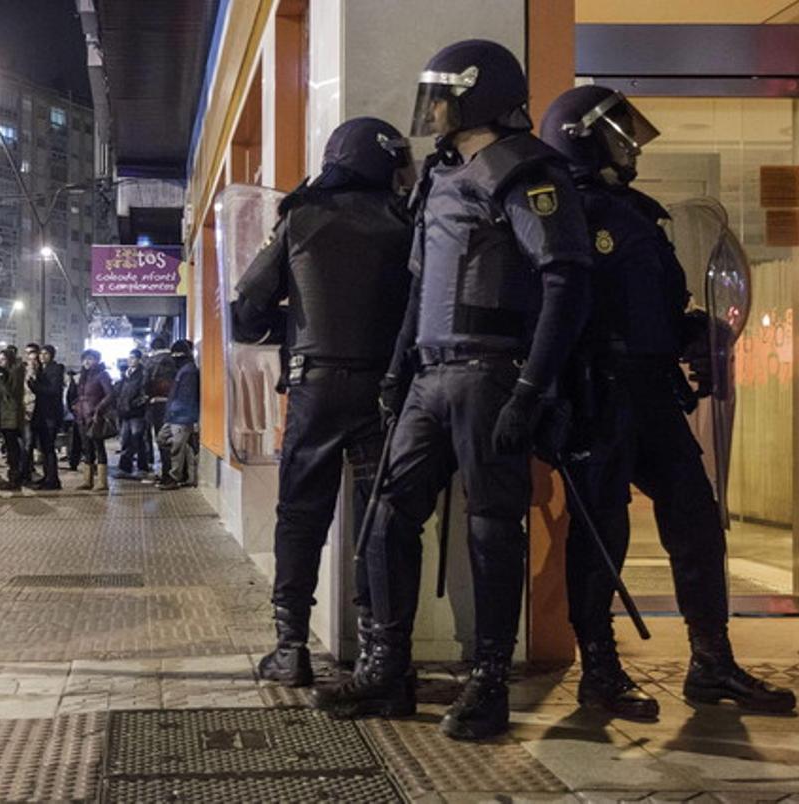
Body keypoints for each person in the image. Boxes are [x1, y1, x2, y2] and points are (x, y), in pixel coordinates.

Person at [316, 40, 591, 741]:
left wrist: (532, 389)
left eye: (442, 94)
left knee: (493, 529)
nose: (431, 109)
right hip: (431, 378)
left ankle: (490, 683)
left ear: (476, 94)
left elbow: (566, 280)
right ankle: (387, 671)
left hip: (492, 375)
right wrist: (395, 370)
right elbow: (420, 287)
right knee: (386, 518)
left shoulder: (526, 170)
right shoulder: (440, 177)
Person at [539, 86, 796, 717]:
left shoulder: (637, 213)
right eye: (617, 133)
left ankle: (712, 663)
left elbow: (661, 305)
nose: (630, 145)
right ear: (582, 137)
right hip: (597, 391)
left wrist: (696, 332)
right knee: (604, 532)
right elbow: (555, 307)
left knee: (697, 519)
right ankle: (599, 669)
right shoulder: (562, 211)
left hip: (653, 390)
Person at [231, 116, 415, 688]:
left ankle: (290, 648)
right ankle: (378, 653)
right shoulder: (407, 220)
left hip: (314, 388)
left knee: (301, 517)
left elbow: (244, 313)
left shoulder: (302, 217)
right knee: (381, 523)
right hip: (386, 394)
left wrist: (296, 326)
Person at [157, 339, 199, 490]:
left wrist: (174, 410)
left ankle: (174, 477)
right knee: (164, 439)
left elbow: (186, 396)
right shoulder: (185, 369)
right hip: (176, 416)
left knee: (177, 448)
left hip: (181, 417)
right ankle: (178, 475)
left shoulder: (188, 371)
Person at [73, 349, 116, 492]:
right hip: (82, 416)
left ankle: (102, 481)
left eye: (90, 359)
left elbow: (110, 394)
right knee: (87, 448)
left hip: (95, 417)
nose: (87, 361)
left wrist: (99, 408)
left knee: (99, 447)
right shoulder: (83, 376)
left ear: (97, 360)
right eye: (85, 359)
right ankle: (87, 480)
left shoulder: (102, 375)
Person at [28, 343, 65, 490]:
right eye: (41, 354)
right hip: (41, 414)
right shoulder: (41, 369)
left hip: (51, 415)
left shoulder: (56, 369)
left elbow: (53, 390)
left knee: (49, 448)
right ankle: (47, 476)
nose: (42, 356)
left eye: (46, 354)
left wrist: (35, 386)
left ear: (52, 355)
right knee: (44, 448)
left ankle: (52, 480)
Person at [0, 347, 27, 491]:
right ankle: (14, 476)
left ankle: (15, 478)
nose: (1, 362)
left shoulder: (14, 373)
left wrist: (1, 380)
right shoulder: (2, 373)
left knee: (13, 448)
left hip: (12, 415)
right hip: (3, 414)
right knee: (10, 447)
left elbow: (11, 394)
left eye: (4, 359)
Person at [143, 335, 177, 479]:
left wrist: (146, 397)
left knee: (161, 437)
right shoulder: (175, 361)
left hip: (156, 403)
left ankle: (166, 473)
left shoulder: (150, 362)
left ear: (153, 347)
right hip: (174, 403)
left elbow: (145, 383)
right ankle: (174, 472)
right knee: (173, 437)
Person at [115, 349, 151, 477]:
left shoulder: (143, 374)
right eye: (129, 357)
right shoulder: (126, 374)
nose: (130, 360)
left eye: (133, 358)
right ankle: (125, 468)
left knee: (138, 439)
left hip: (137, 413)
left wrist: (133, 405)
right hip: (125, 413)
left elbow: (145, 394)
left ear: (139, 359)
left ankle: (142, 468)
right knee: (125, 440)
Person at [20, 343, 41, 482]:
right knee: (27, 443)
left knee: (32, 443)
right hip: (26, 412)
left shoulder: (41, 374)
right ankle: (25, 472)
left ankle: (29, 469)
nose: (32, 362)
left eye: (35, 359)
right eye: (29, 358)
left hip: (39, 412)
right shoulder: (23, 375)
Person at [65, 369, 82, 471]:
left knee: (74, 440)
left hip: (73, 415)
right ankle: (72, 460)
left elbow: (71, 399)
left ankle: (73, 460)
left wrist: (73, 409)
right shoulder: (66, 386)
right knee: (71, 440)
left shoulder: (73, 385)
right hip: (67, 415)